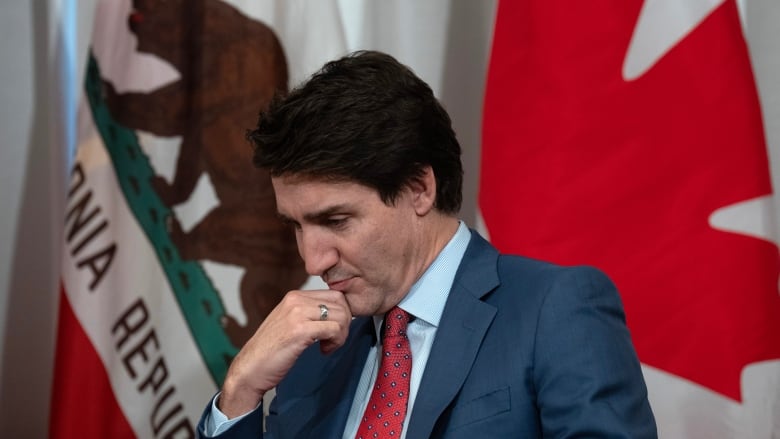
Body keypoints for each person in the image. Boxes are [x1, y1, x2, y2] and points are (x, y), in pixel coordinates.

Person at [197, 50, 657, 438]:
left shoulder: (553, 311)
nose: (313, 260)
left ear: (419, 189)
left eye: (336, 220)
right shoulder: (311, 357)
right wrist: (239, 393)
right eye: (295, 226)